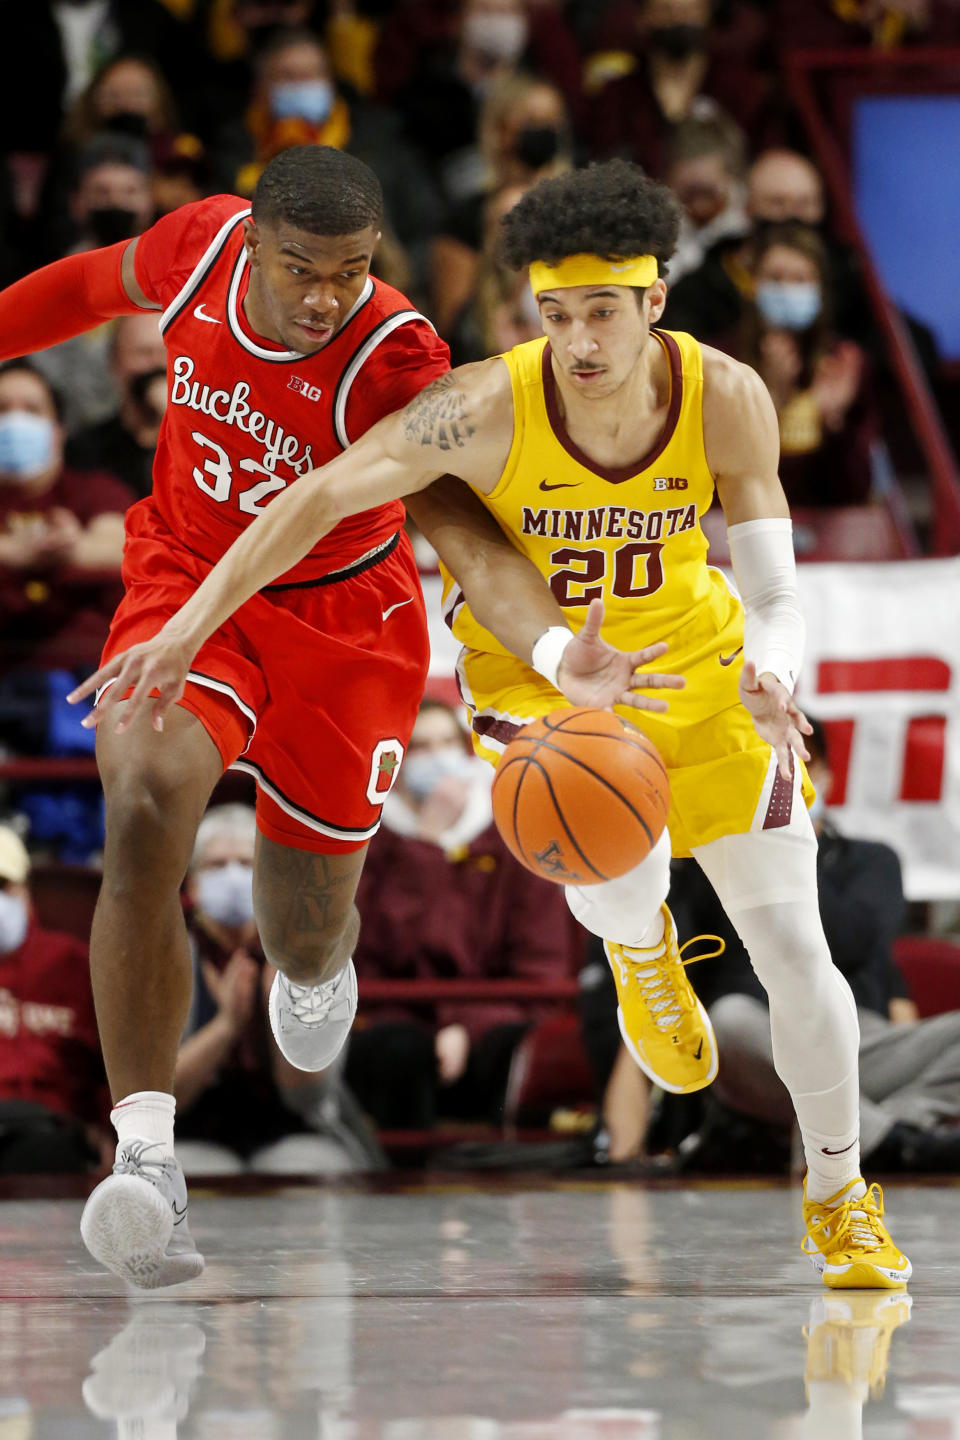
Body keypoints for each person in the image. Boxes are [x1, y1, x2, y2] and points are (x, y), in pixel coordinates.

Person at [80, 158, 913, 1290]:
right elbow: (317, 495)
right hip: (540, 681)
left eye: (603, 313)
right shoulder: (477, 403)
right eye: (554, 312)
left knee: (797, 951)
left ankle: (839, 1194)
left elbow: (773, 593)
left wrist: (776, 673)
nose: (576, 340)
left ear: (654, 300)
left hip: (695, 668)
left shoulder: (727, 395)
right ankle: (637, 946)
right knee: (605, 845)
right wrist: (186, 628)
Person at [0, 145, 661, 1287]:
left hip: (342, 628)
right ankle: (149, 1159)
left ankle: (318, 964)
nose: (325, 296)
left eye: (350, 271)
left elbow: (456, 523)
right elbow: (85, 286)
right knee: (144, 800)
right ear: (253, 242)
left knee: (302, 926)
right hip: (187, 589)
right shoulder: (199, 243)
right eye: (303, 269)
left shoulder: (397, 353)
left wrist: (554, 647)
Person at [681, 717, 960, 1175]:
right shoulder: (712, 861)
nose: (777, 780)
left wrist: (790, 844)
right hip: (764, 1038)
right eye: (763, 768)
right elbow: (689, 970)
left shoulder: (873, 859)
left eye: (790, 765)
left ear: (824, 775)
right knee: (725, 1022)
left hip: (862, 1041)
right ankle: (891, 1142)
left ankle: (887, 1136)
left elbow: (852, 939)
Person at [349, 697, 581, 1128]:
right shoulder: (366, 846)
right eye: (419, 748)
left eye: (445, 744)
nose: (436, 759)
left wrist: (463, 1024)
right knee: (395, 1050)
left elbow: (540, 968)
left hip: (494, 1021)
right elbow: (366, 958)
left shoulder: (515, 838)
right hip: (396, 1024)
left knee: (514, 1048)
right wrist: (426, 845)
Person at [178, 802, 379, 1175]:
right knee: (195, 1175)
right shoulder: (168, 954)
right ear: (193, 883)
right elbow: (163, 1095)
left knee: (300, 1170)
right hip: (191, 1132)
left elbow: (310, 1097)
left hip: (292, 1129)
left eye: (248, 864)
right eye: (217, 865)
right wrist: (224, 1028)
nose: (233, 876)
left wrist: (285, 1018)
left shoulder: (309, 953)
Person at [0, 360, 133, 680]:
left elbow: (123, 548)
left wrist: (71, 548)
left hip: (84, 682)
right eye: (2, 409)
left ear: (58, 431)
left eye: (32, 410)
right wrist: (12, 552)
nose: (15, 420)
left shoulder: (96, 490)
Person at [738, 223, 875, 509]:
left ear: (821, 288)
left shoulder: (843, 364)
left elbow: (855, 491)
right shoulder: (722, 361)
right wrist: (770, 401)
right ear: (752, 283)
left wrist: (833, 420)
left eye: (800, 279)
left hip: (828, 530)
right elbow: (715, 483)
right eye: (775, 278)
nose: (787, 289)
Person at [0, 824, 109, 1174]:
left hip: (53, 1130)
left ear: (25, 892)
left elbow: (106, 1064)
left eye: (3, 886)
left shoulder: (73, 963)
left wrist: (109, 1130)